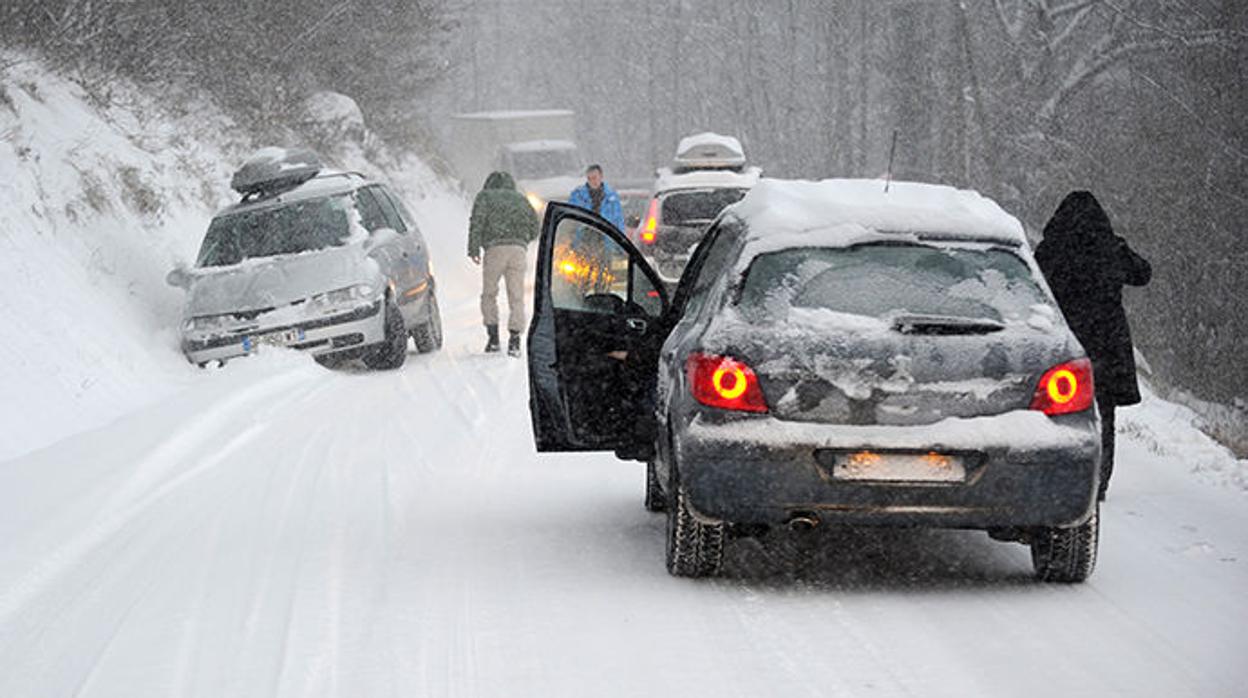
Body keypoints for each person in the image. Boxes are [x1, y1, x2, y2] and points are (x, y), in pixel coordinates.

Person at [1035, 191, 1152, 501]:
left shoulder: (1052, 249)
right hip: (1106, 344)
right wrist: (1119, 246)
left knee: (1059, 412)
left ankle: (1060, 477)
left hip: (1066, 342)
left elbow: (1034, 284)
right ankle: (1099, 483)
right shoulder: (1110, 249)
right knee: (1105, 415)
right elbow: (1143, 273)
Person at [468, 171, 540, 356]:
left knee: (489, 293)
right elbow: (535, 226)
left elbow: (477, 222)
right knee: (516, 295)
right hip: (518, 251)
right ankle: (515, 340)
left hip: (494, 250)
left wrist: (474, 249)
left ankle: (493, 339)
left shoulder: (484, 197)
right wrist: (522, 240)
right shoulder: (521, 198)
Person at [568, 164, 625, 232]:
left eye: (594, 178)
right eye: (589, 178)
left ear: (601, 176)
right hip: (584, 238)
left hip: (607, 237)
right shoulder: (578, 196)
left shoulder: (612, 198)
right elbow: (570, 219)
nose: (592, 181)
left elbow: (618, 221)